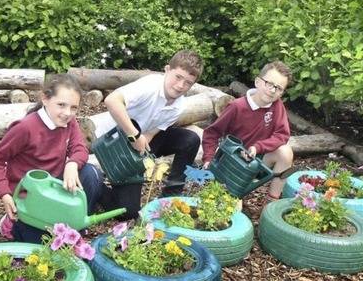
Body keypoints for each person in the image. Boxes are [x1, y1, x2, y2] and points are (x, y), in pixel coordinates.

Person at [0, 74, 105, 243]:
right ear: (45, 98)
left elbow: (79, 147)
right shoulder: (25, 128)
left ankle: (75, 224)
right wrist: (5, 194)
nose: (67, 113)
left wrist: (71, 164)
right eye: (61, 105)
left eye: (73, 108)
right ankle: (13, 224)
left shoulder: (69, 123)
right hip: (29, 192)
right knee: (41, 244)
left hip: (54, 183)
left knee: (91, 174)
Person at [92, 50, 203, 219]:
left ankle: (171, 195)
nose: (180, 85)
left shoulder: (179, 105)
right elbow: (112, 100)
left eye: (188, 82)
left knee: (190, 139)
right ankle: (95, 184)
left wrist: (142, 158)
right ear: (167, 69)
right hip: (112, 143)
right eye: (178, 77)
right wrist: (135, 136)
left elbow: (152, 133)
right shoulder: (150, 85)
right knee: (127, 213)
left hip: (138, 139)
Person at [201, 60, 293, 200]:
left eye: (279, 88)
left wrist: (258, 147)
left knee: (285, 152)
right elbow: (211, 133)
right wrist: (208, 159)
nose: (272, 90)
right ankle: (231, 192)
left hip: (257, 159)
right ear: (257, 82)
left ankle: (271, 201)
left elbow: (282, 134)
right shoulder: (237, 107)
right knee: (230, 208)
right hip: (234, 162)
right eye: (269, 83)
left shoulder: (277, 105)